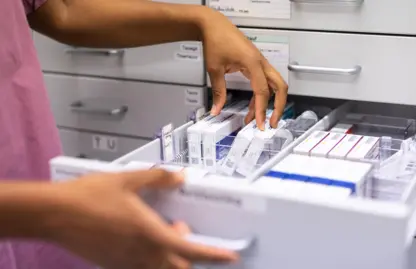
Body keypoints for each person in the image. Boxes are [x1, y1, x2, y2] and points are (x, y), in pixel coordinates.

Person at [0, 0, 288, 268]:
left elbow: (60, 10)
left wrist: (202, 19)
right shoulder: (53, 215)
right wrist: (52, 213)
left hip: (28, 186)